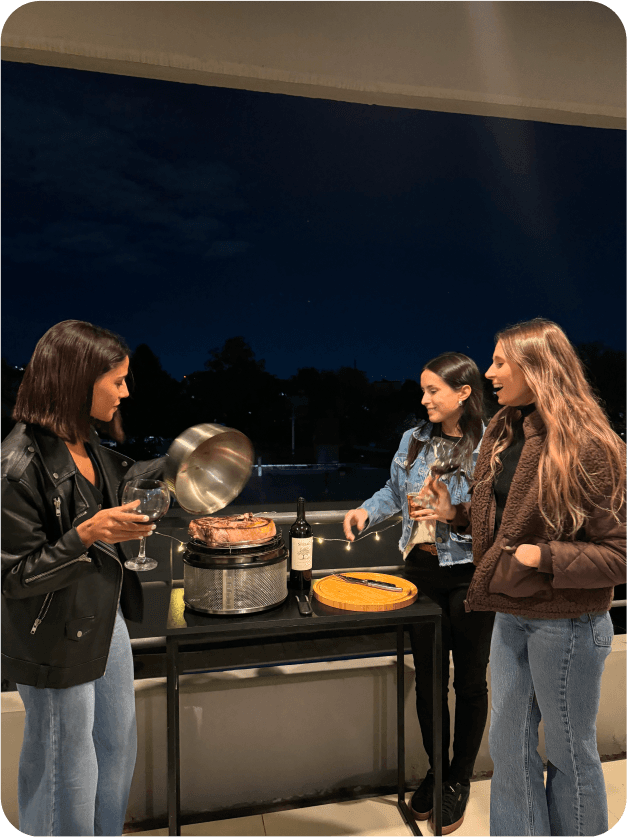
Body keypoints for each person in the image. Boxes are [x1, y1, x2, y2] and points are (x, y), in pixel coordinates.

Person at [418, 319, 627, 837]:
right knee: (509, 750)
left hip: (568, 622)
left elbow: (619, 554)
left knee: (567, 752)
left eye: (500, 362)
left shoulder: (591, 445)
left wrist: (545, 556)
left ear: (538, 366)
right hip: (510, 614)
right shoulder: (504, 429)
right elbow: (509, 516)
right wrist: (458, 515)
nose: (489, 373)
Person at [1, 320, 167, 837]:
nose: (124, 391)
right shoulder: (15, 465)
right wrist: (86, 535)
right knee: (65, 772)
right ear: (76, 382)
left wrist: (182, 471)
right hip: (49, 634)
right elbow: (13, 579)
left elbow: (127, 487)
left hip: (104, 615)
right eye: (115, 380)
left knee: (116, 751)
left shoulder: (90, 447)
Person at [343, 353, 492, 835]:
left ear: (464, 392)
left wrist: (456, 512)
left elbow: (500, 510)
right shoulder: (413, 441)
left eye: (434, 391)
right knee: (429, 681)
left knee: (469, 682)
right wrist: (367, 510)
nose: (424, 399)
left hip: (470, 572)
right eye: (423, 390)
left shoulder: (491, 443)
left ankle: (459, 780)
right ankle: (438, 771)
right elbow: (392, 489)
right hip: (421, 570)